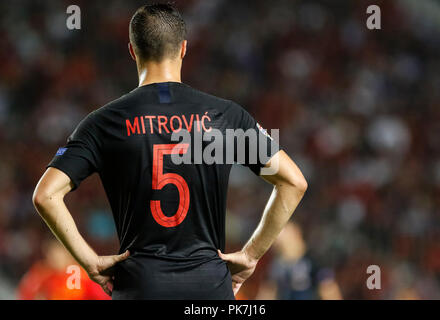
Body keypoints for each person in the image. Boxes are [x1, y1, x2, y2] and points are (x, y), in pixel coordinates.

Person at [32, 3, 307, 300]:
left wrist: (90, 262)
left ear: (132, 51)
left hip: (140, 286)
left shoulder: (104, 122)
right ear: (184, 48)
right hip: (209, 288)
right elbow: (293, 182)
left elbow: (45, 195)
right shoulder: (225, 116)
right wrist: (251, 255)